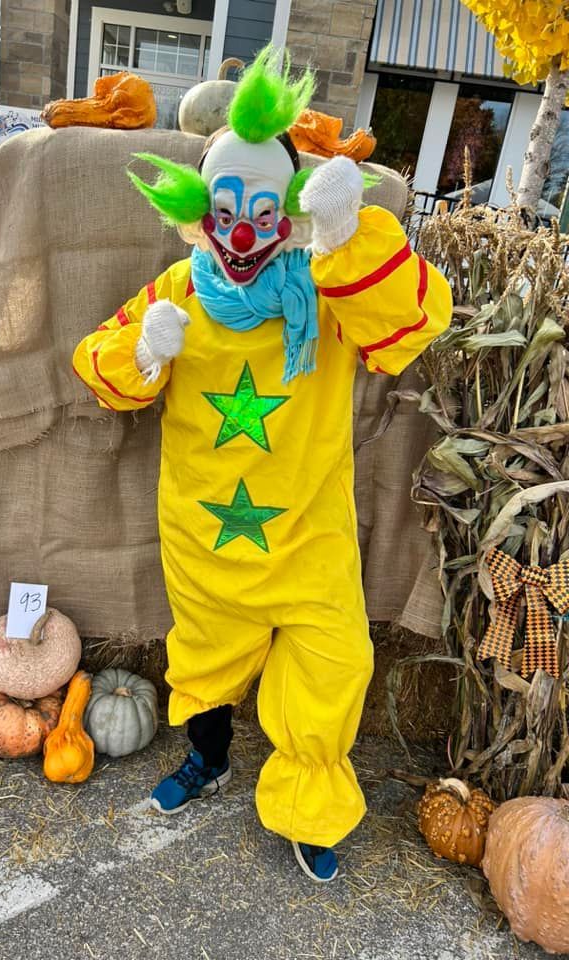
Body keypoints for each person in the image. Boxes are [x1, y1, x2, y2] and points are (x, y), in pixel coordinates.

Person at [73, 48, 452, 883]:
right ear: (200, 210)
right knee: (206, 659)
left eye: (258, 206)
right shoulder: (174, 285)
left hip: (310, 533)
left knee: (332, 665)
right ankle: (207, 761)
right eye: (224, 205)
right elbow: (98, 367)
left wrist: (351, 242)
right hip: (208, 530)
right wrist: (145, 349)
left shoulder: (326, 290)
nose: (241, 228)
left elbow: (415, 324)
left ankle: (310, 805)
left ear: (283, 213)